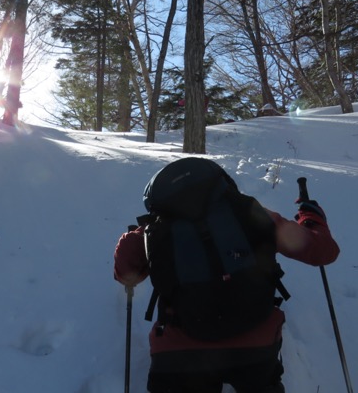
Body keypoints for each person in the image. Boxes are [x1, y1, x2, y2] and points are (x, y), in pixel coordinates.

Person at [113, 165, 340, 393]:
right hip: (255, 346)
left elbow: (124, 276)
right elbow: (323, 251)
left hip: (179, 355)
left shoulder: (151, 231)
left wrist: (136, 237)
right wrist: (311, 218)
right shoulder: (252, 213)